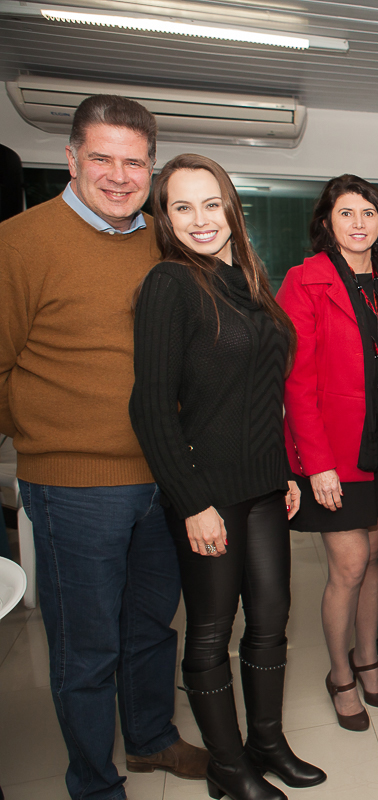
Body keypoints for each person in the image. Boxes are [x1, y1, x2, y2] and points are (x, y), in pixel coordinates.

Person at [0, 94, 208, 800]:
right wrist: (45, 432)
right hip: (73, 487)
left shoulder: (164, 241)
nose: (119, 176)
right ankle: (94, 783)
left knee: (152, 625)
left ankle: (150, 740)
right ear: (71, 158)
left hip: (164, 480)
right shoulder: (20, 242)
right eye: (102, 158)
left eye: (134, 161)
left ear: (151, 167)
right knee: (86, 649)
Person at [129, 154, 325, 800]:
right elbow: (151, 407)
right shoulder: (169, 283)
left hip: (265, 486)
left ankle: (265, 742)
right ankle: (226, 764)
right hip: (207, 494)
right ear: (163, 218)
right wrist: (192, 503)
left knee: (271, 619)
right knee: (213, 628)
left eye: (211, 204)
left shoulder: (244, 280)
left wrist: (285, 468)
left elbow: (261, 388)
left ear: (231, 209)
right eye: (182, 207)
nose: (200, 219)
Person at [278, 174, 378, 732]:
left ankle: (368, 660)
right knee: (350, 565)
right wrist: (317, 465)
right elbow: (296, 382)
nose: (359, 223)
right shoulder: (303, 281)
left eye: (368, 214)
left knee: (374, 561)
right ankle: (340, 675)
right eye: (347, 214)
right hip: (336, 453)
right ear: (327, 222)